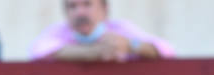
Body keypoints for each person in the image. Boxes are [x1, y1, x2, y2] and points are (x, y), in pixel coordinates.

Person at [29, 0, 173, 62]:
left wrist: (129, 45)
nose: (80, 12)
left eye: (87, 4)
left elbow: (166, 50)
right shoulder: (58, 31)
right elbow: (37, 50)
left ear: (104, 9)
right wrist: (96, 52)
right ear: (66, 12)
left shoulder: (120, 29)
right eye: (72, 6)